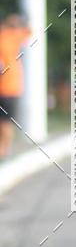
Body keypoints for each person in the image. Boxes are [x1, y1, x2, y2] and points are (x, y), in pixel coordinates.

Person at [0, 14, 31, 159]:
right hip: (10, 87)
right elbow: (29, 30)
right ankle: (4, 150)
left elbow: (29, 32)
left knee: (5, 120)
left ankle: (4, 150)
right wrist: (16, 22)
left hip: (9, 87)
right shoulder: (11, 35)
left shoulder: (10, 36)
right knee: (6, 121)